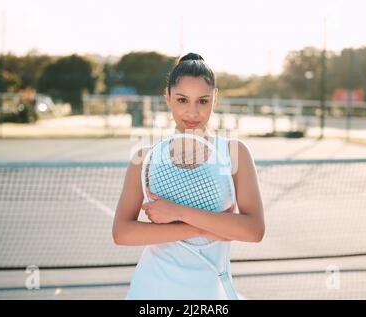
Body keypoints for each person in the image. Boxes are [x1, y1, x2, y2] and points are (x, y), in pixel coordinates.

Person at [112, 52, 265, 299]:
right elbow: (122, 233)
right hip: (152, 291)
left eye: (202, 101)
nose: (192, 113)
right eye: (182, 100)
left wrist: (178, 213)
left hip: (210, 293)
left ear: (215, 98)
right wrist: (205, 228)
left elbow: (253, 230)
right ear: (168, 97)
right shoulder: (145, 158)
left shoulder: (234, 153)